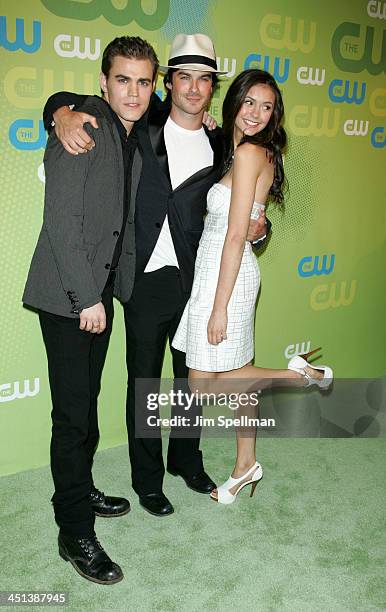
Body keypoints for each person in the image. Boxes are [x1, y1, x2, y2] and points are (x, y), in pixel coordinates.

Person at [42, 34, 271, 518]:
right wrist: (58, 112)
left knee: (192, 379)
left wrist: (260, 225)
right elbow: (76, 106)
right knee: (143, 382)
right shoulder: (139, 119)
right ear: (169, 83)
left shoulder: (220, 141)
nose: (193, 88)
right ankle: (147, 480)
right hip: (142, 278)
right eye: (183, 77)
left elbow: (241, 205)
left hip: (196, 279)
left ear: (212, 88)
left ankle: (186, 460)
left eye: (204, 79)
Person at [23, 36, 159, 584]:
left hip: (97, 295)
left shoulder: (130, 135)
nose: (134, 91)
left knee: (88, 406)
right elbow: (61, 222)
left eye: (144, 81)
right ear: (103, 82)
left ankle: (79, 489)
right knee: (72, 417)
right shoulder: (83, 126)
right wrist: (88, 299)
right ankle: (73, 528)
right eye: (122, 79)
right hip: (70, 299)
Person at [172, 68, 333, 504]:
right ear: (235, 103)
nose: (257, 114)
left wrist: (219, 306)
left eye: (267, 107)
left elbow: (235, 235)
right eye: (250, 103)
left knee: (202, 384)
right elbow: (248, 224)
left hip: (227, 274)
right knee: (236, 377)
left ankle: (295, 373)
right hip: (222, 268)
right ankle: (247, 464)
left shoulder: (249, 156)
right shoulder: (246, 150)